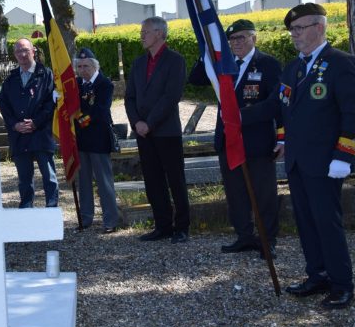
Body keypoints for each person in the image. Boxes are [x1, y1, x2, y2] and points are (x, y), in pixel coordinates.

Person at [243, 3, 355, 309]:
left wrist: (344, 154)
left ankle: (341, 283)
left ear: (319, 28)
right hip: (297, 160)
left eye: (299, 29)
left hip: (327, 161)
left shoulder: (340, 63)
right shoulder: (294, 67)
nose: (294, 35)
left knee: (327, 222)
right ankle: (317, 274)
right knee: (306, 221)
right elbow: (277, 106)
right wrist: (238, 115)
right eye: (292, 30)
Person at [188, 19, 282, 256]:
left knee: (264, 194)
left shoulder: (268, 64)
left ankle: (267, 239)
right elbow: (196, 79)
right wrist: (206, 54)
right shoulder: (222, 64)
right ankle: (244, 235)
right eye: (232, 39)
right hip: (228, 139)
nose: (236, 43)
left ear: (254, 38)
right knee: (236, 192)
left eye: (242, 37)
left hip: (257, 140)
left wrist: (281, 137)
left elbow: (278, 104)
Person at [124, 16, 189, 243]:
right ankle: (162, 226)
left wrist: (149, 122)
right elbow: (129, 97)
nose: (142, 35)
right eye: (142, 31)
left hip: (166, 131)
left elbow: (171, 96)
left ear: (160, 33)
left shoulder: (175, 61)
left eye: (146, 31)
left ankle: (181, 228)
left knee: (175, 180)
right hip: (143, 132)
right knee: (153, 181)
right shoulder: (139, 63)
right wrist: (137, 123)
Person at [0, 38, 59, 208]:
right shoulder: (11, 79)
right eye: (18, 51)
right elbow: (4, 105)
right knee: (24, 180)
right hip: (19, 136)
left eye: (25, 50)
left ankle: (52, 209)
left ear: (33, 51)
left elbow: (50, 103)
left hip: (40, 133)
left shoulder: (46, 74)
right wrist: (15, 125)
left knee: (49, 177)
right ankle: (26, 212)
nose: (22, 54)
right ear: (14, 55)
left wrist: (36, 122)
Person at [74, 48, 120, 233]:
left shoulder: (104, 83)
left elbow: (100, 110)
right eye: (79, 66)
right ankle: (85, 218)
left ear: (94, 66)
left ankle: (110, 220)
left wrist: (81, 119)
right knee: (83, 181)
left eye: (86, 66)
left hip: (98, 138)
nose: (82, 70)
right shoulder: (76, 84)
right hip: (81, 139)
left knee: (104, 181)